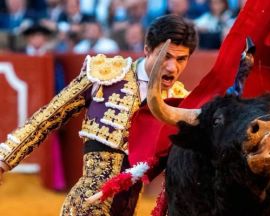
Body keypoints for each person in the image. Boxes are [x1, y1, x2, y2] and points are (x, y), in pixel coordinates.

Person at [0, 14, 197, 215]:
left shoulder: (180, 103)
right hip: (85, 208)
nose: (173, 67)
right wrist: (4, 158)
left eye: (181, 59)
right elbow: (47, 118)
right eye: (165, 56)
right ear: (147, 50)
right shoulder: (105, 75)